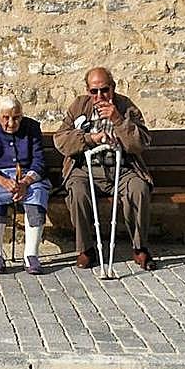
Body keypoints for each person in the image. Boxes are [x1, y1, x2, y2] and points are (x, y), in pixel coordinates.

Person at [53, 67, 155, 271]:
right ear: (88, 90)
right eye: (94, 91)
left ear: (113, 87)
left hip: (122, 168)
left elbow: (140, 143)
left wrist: (118, 120)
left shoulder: (126, 107)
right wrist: (90, 138)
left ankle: (139, 247)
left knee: (139, 189)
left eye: (104, 90)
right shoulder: (79, 106)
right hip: (85, 168)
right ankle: (86, 249)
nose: (100, 96)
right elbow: (61, 140)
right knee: (77, 192)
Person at [0, 94, 51, 275]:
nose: (11, 123)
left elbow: (39, 161)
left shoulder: (32, 127)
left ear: (21, 116)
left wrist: (26, 182)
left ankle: (31, 255)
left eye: (16, 118)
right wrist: (1, 180)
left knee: (37, 192)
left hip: (26, 177)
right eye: (6, 118)